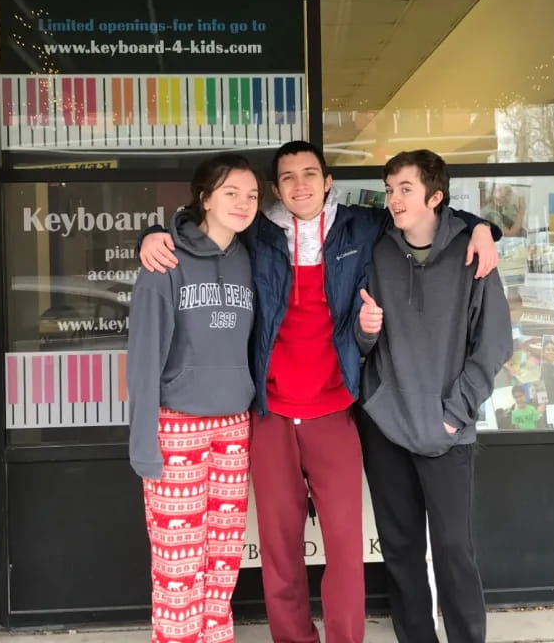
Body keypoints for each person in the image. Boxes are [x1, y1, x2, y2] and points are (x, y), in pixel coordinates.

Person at [138, 141, 501, 643]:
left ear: (329, 182)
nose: (300, 184)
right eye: (288, 177)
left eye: (311, 174)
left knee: (346, 549)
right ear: (276, 188)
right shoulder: (258, 234)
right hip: (270, 413)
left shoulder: (362, 225)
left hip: (336, 409)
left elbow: (423, 212)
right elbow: (204, 231)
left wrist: (483, 227)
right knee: (280, 549)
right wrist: (154, 232)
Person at [355, 149, 513, 643]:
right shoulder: (375, 252)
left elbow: (493, 344)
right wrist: (363, 333)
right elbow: (359, 339)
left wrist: (455, 414)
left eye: (405, 188)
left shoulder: (473, 251)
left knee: (453, 551)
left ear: (435, 196)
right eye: (389, 189)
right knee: (400, 551)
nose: (394, 199)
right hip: (386, 427)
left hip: (448, 430)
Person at [126, 154, 260, 643]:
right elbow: (142, 356)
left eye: (251, 195)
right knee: (177, 563)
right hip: (176, 424)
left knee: (222, 561)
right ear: (205, 198)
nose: (243, 204)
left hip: (234, 425)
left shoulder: (250, 256)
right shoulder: (164, 260)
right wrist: (143, 442)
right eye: (231, 193)